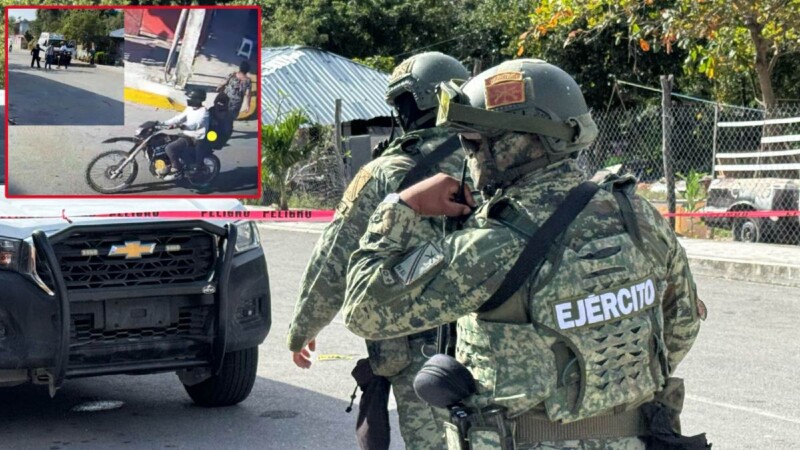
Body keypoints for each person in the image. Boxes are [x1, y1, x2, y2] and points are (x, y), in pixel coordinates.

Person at [343, 59, 708, 449]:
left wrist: (401, 206)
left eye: (474, 142)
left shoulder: (492, 245)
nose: (470, 156)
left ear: (521, 142)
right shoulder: (635, 213)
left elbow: (363, 308)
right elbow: (681, 324)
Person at [287, 52, 470, 450]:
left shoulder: (385, 172)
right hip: (494, 340)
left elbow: (334, 258)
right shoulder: (493, 161)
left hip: (421, 351)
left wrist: (304, 328)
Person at [158, 89, 210, 181]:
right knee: (164, 141)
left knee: (169, 148)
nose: (188, 99)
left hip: (194, 137)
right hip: (185, 134)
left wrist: (181, 125)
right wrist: (162, 123)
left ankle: (176, 169)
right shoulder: (190, 109)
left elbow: (195, 125)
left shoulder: (204, 112)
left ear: (197, 99)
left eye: (190, 98)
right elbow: (178, 118)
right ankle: (168, 164)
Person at [216, 60, 252, 134]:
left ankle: (220, 127)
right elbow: (248, 94)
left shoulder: (232, 75)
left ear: (240, 68)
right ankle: (227, 129)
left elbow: (224, 83)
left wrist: (219, 88)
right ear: (247, 70)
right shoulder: (248, 81)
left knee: (222, 113)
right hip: (236, 103)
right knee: (231, 117)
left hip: (226, 99)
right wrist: (248, 105)